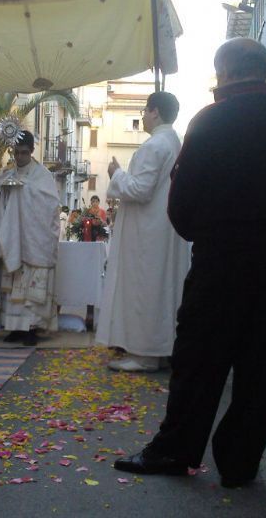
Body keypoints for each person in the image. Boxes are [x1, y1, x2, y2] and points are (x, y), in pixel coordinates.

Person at [114, 38, 266, 488]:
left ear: (225, 71)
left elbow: (181, 203)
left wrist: (210, 233)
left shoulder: (210, 121)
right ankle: (240, 462)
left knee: (199, 360)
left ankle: (177, 449)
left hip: (220, 261)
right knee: (260, 366)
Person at [95, 91, 191, 372]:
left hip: (147, 232)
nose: (142, 116)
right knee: (162, 288)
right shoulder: (174, 141)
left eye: (145, 111)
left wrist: (116, 173)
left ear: (156, 112)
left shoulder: (155, 145)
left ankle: (144, 354)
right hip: (162, 227)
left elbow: (140, 189)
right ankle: (159, 349)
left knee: (144, 288)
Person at [0, 130, 60, 346]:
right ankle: (13, 326)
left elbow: (51, 204)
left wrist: (23, 191)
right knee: (11, 286)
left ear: (32, 151)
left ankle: (32, 328)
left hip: (32, 239)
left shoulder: (42, 175)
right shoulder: (6, 173)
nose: (20, 157)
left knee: (30, 291)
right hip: (12, 238)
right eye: (16, 153)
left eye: (24, 153)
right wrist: (3, 189)